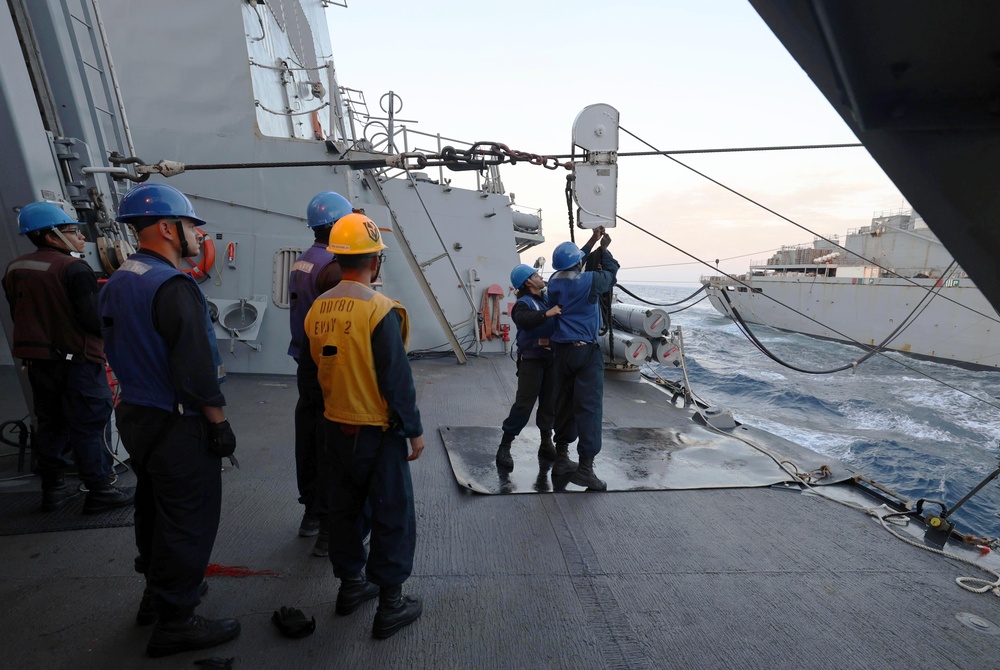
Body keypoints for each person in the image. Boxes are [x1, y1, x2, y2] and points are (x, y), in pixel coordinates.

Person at [99, 183, 240, 658]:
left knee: (154, 507)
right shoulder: (173, 285)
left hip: (137, 416)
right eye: (191, 226)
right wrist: (218, 423)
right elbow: (196, 367)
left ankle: (154, 597)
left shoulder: (122, 277)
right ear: (166, 228)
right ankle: (177, 620)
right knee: (188, 519)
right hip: (177, 421)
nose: (199, 236)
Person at [301, 212, 424, 639]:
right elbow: (396, 377)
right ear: (375, 261)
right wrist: (413, 429)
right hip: (377, 430)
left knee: (346, 510)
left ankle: (351, 587)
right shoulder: (380, 309)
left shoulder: (317, 308)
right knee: (393, 514)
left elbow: (314, 366)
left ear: (337, 257)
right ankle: (391, 605)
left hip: (336, 427)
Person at [2, 201, 134, 514]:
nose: (80, 238)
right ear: (51, 236)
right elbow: (93, 320)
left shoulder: (15, 268)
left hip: (38, 364)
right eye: (73, 231)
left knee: (50, 426)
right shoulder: (74, 269)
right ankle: (100, 490)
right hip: (77, 364)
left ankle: (54, 492)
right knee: (88, 426)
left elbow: (18, 312)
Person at [288, 190, 352, 556]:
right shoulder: (333, 267)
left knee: (309, 440)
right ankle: (329, 528)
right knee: (332, 445)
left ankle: (311, 514)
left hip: (304, 363)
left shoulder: (304, 261)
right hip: (326, 367)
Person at [546, 226, 619, 491]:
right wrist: (605, 251)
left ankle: (562, 457)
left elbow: (573, 263)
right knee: (589, 408)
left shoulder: (554, 281)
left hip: (561, 351)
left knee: (564, 403)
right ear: (578, 262)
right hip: (585, 352)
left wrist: (591, 242)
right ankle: (585, 469)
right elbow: (610, 276)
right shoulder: (589, 281)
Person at [494, 264, 569, 473]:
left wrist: (592, 242)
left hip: (550, 359)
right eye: (536, 275)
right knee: (524, 405)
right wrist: (548, 314)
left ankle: (546, 444)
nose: (540, 277)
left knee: (549, 403)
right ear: (528, 282)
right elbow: (525, 321)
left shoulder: (545, 300)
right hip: (532, 361)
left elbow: (569, 269)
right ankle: (505, 446)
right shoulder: (523, 304)